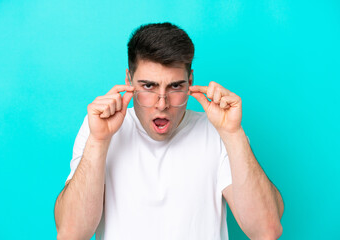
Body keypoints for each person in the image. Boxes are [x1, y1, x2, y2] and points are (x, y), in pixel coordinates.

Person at [54, 22, 284, 240]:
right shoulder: (99, 128)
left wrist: (233, 134)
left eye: (175, 86)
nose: (162, 104)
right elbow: (71, 234)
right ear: (128, 80)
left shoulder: (218, 131)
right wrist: (98, 141)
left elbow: (266, 230)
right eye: (148, 86)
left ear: (190, 81)